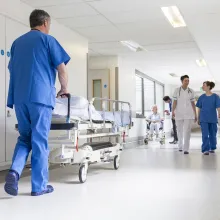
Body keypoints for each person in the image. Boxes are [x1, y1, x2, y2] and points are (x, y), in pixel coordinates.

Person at [4, 9, 70, 196]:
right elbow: (62, 69)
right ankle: (39, 186)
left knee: (25, 138)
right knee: (39, 140)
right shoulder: (48, 40)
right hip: (40, 98)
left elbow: (13, 68)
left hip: (19, 98)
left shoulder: (17, 43)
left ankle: (15, 172)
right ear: (45, 23)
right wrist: (64, 89)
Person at [172, 75, 197, 154]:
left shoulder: (191, 91)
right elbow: (175, 102)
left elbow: (193, 103)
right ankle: (180, 146)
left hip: (188, 114)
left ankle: (186, 149)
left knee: (187, 131)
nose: (187, 82)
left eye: (188, 80)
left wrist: (195, 114)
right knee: (179, 130)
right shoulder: (176, 90)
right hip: (178, 113)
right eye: (186, 80)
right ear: (182, 81)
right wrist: (172, 111)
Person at [196, 81, 220, 155]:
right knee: (205, 134)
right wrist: (198, 118)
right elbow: (199, 108)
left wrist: (219, 113)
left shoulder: (215, 96)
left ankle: (212, 147)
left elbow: (218, 107)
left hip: (212, 118)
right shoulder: (201, 97)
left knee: (213, 134)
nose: (202, 87)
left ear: (208, 87)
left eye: (204, 85)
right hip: (204, 119)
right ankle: (205, 149)